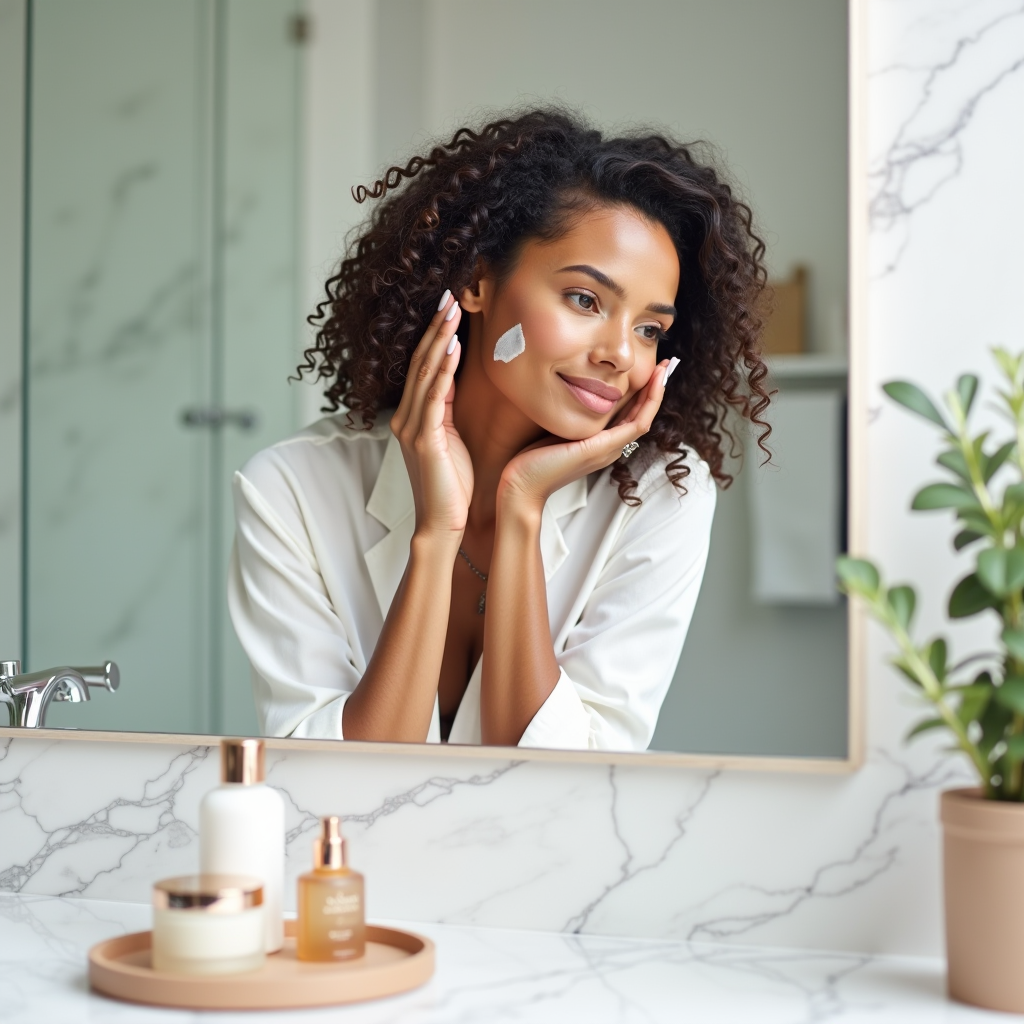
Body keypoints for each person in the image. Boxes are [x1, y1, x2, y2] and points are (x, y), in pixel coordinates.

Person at [228, 109, 770, 751]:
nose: (621, 355)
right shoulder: (292, 489)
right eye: (585, 300)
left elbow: (577, 782)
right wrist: (435, 536)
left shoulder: (659, 495)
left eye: (649, 329)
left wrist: (522, 509)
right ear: (476, 283)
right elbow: (328, 777)